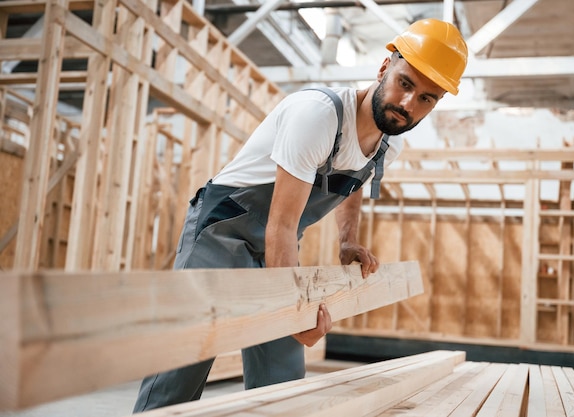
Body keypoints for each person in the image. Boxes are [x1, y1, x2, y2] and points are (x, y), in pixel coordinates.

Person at [132, 18, 468, 412]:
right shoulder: (318, 115)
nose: (408, 104)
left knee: (284, 380)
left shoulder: (388, 144)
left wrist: (348, 241)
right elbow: (282, 224)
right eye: (405, 83)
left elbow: (354, 183)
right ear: (383, 69)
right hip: (223, 231)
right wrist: (296, 315)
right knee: (184, 362)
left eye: (427, 98)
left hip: (276, 245)